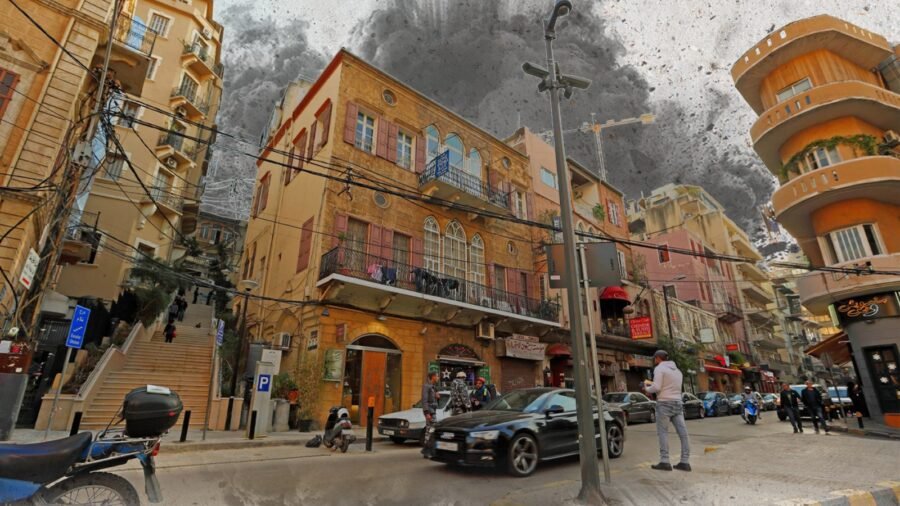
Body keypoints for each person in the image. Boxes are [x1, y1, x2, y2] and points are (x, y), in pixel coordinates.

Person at [644, 349, 691, 472]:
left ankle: (665, 461)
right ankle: (685, 462)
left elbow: (657, 387)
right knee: (683, 434)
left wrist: (646, 388)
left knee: (663, 432)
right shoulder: (678, 371)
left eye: (655, 358)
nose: (654, 360)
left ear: (658, 358)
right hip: (677, 403)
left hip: (664, 403)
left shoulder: (659, 369)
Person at [420, 372, 439, 458]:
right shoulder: (426, 386)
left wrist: (437, 397)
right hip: (430, 412)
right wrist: (426, 412)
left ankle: (427, 451)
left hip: (433, 411)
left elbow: (434, 400)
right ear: (433, 377)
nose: (438, 378)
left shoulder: (433, 387)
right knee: (432, 430)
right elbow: (424, 400)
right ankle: (427, 450)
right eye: (437, 376)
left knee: (429, 430)